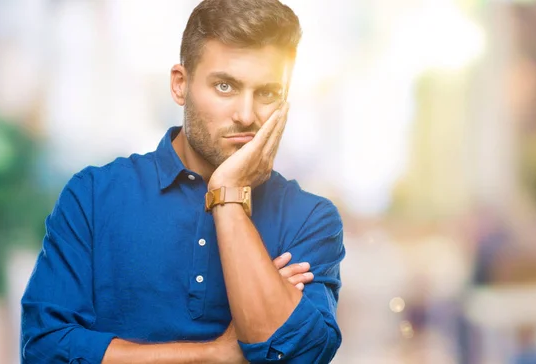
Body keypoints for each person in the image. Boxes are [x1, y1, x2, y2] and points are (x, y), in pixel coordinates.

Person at [20, 0, 345, 363]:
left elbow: (299, 355)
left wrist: (229, 196)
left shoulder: (311, 219)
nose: (246, 115)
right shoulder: (94, 195)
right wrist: (213, 355)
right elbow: (45, 350)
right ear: (180, 85)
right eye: (225, 86)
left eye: (267, 93)